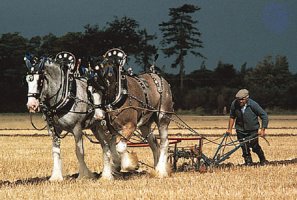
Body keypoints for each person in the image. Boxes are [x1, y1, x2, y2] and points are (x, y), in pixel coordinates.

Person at [226, 89, 268, 166]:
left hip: (252, 130)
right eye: (239, 99)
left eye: (242, 99)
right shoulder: (234, 104)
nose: (240, 101)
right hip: (240, 129)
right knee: (244, 146)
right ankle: (248, 162)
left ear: (247, 98)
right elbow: (232, 117)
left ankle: (263, 159)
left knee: (254, 146)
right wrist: (229, 129)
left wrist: (263, 130)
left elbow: (264, 116)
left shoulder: (253, 104)